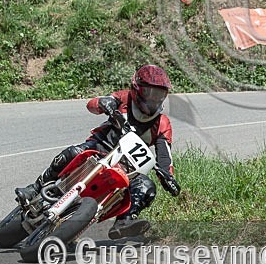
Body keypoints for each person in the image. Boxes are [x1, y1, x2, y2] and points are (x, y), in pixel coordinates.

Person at [15, 65, 180, 240]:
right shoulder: (124, 98)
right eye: (150, 93)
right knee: (71, 152)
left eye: (159, 95)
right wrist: (103, 103)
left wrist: (168, 178)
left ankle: (124, 222)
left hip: (127, 168)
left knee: (147, 187)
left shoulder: (163, 123)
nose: (154, 99)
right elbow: (92, 105)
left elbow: (164, 156)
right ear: (137, 89)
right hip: (99, 148)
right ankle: (35, 188)